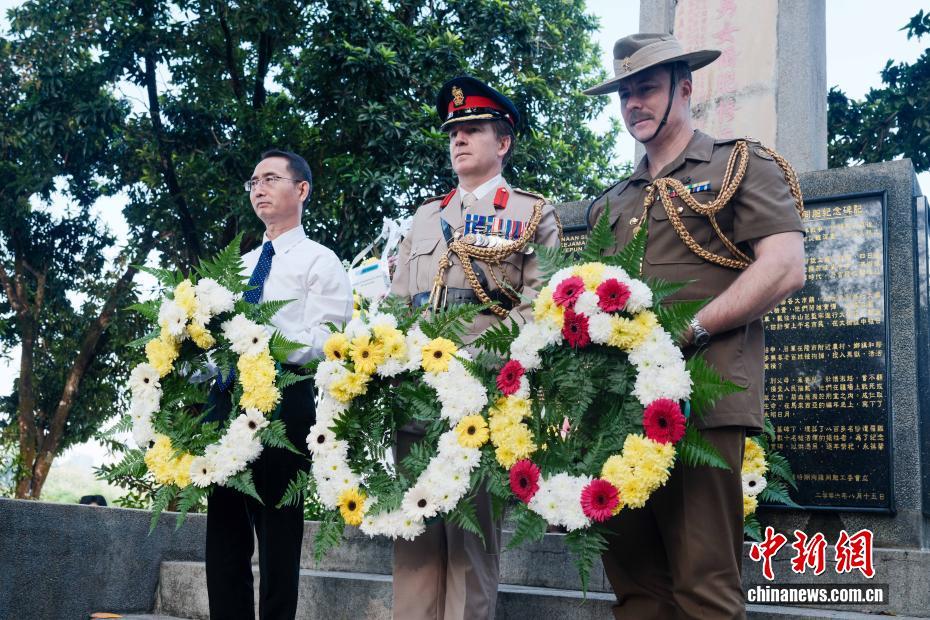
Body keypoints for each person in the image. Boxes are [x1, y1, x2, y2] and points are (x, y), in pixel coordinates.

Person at [584, 33, 806, 619]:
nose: (635, 103)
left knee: (705, 585)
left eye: (648, 88)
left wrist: (692, 330)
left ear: (685, 87)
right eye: (626, 93)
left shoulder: (738, 164)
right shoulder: (612, 202)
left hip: (703, 401)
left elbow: (784, 266)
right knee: (636, 590)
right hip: (621, 413)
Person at [389, 76, 561, 620]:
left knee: (470, 549)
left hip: (480, 399)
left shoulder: (532, 213)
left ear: (503, 142)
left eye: (473, 129)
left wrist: (469, 365)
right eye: (454, 131)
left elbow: (540, 306)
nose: (459, 139)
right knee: (413, 537)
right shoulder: (422, 218)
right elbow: (397, 305)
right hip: (414, 396)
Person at [205, 149, 353, 620]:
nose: (259, 188)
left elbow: (329, 338)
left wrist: (264, 340)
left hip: (285, 403)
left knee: (277, 537)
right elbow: (216, 336)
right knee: (223, 536)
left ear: (302, 190)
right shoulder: (241, 265)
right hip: (227, 404)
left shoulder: (320, 261)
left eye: (270, 178)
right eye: (253, 182)